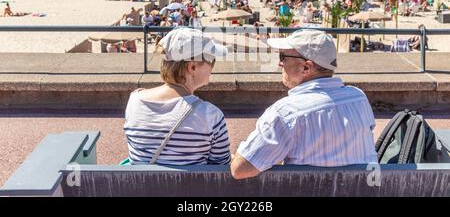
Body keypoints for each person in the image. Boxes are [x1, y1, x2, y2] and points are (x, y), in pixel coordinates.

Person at [231, 30, 378, 180]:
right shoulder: (358, 98)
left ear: (306, 67)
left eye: (283, 57)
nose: (280, 63)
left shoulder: (285, 113)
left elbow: (240, 169)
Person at [124, 27, 231, 165]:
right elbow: (220, 168)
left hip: (139, 186)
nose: (212, 67)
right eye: (212, 60)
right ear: (192, 67)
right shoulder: (210, 116)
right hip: (189, 186)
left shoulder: (135, 101)